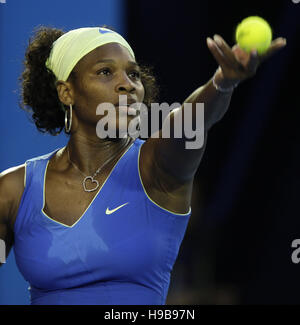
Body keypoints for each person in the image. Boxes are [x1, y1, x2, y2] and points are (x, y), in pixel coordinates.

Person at [0, 25, 286, 305]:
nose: (128, 84)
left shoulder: (156, 167)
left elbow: (187, 122)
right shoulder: (13, 190)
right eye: (105, 72)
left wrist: (223, 83)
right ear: (66, 92)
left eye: (133, 74)